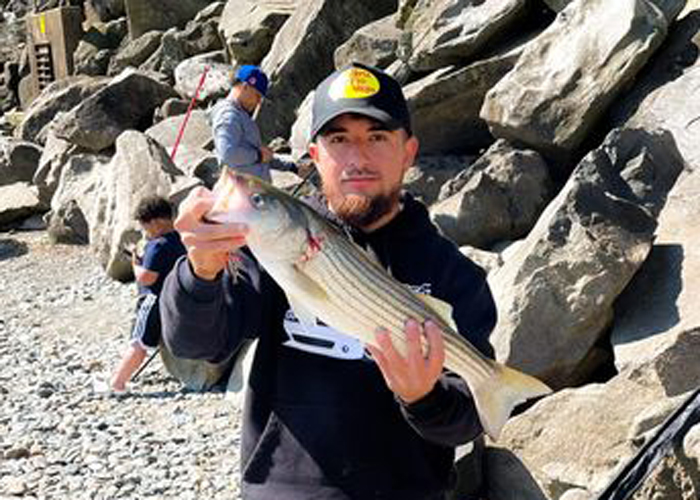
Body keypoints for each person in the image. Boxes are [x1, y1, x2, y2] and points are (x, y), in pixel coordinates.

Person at [160, 62, 497, 499]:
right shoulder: (267, 246)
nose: (357, 157)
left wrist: (424, 398)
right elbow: (196, 346)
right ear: (315, 156)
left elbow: (468, 420)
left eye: (377, 138)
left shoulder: (455, 275)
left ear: (408, 152)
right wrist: (200, 271)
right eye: (338, 140)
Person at [110, 195, 186, 392]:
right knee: (144, 343)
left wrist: (136, 263)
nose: (145, 231)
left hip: (151, 299)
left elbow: (146, 278)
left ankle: (117, 383)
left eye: (145, 226)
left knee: (139, 342)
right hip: (172, 300)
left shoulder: (157, 245)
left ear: (155, 222)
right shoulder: (180, 239)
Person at [210, 64, 297, 182]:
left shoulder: (240, 114)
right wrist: (259, 156)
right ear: (245, 87)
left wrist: (291, 167)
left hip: (253, 193)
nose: (258, 103)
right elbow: (228, 154)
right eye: (257, 96)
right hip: (242, 194)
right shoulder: (228, 115)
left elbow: (258, 156)